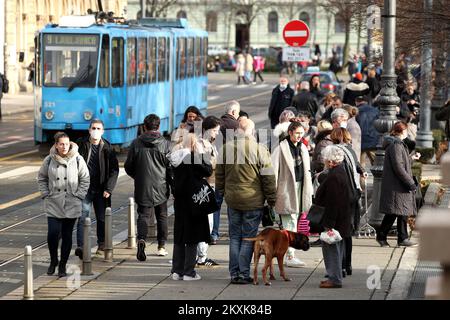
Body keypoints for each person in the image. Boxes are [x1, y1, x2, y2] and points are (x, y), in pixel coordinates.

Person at [216, 118, 277, 284]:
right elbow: (268, 178)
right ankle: (243, 273)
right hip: (253, 200)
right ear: (252, 131)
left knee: (234, 236)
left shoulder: (225, 149)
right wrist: (271, 199)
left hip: (233, 200)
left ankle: (234, 273)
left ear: (237, 131)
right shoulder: (260, 150)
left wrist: (221, 192)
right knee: (248, 238)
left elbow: (219, 176)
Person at [37, 132, 90, 277]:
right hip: (53, 201)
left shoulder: (78, 159)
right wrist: (46, 194)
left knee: (67, 235)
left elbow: (85, 178)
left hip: (72, 202)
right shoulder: (49, 160)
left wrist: (79, 195)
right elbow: (41, 178)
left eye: (66, 144)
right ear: (56, 145)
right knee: (53, 233)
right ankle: (54, 260)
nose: (64, 146)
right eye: (61, 144)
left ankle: (62, 265)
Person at [125, 114, 173, 260]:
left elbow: (128, 166)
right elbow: (170, 167)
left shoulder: (136, 143)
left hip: (142, 185)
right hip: (161, 186)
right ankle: (161, 246)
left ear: (144, 127)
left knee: (143, 215)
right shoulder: (165, 144)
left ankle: (141, 239)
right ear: (158, 127)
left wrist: (138, 176)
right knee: (162, 216)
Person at [169, 133, 213, 281]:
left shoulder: (176, 158)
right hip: (194, 202)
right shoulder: (193, 158)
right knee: (192, 236)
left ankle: (177, 270)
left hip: (180, 201)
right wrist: (201, 152)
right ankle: (189, 272)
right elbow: (208, 170)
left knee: (180, 235)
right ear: (195, 144)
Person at [75, 119, 119, 258]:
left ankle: (101, 244)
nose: (96, 131)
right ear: (89, 130)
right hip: (84, 189)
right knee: (82, 217)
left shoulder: (107, 147)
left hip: (101, 190)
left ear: (103, 131)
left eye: (98, 128)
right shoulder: (81, 145)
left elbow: (114, 170)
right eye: (93, 128)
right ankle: (81, 247)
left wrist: (109, 188)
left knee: (102, 218)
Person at [271, 121, 313, 267]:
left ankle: (286, 253)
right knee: (290, 222)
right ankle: (290, 255)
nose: (300, 136)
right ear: (290, 133)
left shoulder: (302, 147)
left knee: (294, 220)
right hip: (286, 189)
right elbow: (273, 173)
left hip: (301, 188)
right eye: (297, 133)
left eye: (302, 134)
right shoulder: (280, 149)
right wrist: (272, 195)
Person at [330, 128, 367, 276]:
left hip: (341, 194)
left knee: (337, 230)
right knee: (348, 231)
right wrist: (362, 171)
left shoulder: (335, 150)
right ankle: (348, 265)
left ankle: (340, 265)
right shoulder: (350, 150)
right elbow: (357, 165)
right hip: (353, 193)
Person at [314, 145, 352, 288]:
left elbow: (333, 202)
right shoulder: (339, 172)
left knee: (332, 249)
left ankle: (334, 279)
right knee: (335, 248)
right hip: (341, 218)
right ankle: (333, 276)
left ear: (330, 161)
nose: (324, 162)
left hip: (334, 220)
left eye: (325, 160)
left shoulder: (334, 176)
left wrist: (329, 223)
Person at [377, 121, 420, 247]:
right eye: (406, 130)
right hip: (397, 184)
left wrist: (411, 158)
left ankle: (390, 237)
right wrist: (410, 182)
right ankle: (400, 238)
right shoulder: (396, 145)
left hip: (398, 184)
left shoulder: (398, 144)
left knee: (397, 211)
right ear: (402, 131)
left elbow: (401, 163)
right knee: (398, 211)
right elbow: (398, 167)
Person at [355, 96, 380, 166]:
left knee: (360, 164)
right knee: (377, 163)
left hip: (360, 141)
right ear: (366, 102)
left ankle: (362, 176)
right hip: (373, 139)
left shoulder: (355, 111)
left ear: (356, 102)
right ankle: (379, 176)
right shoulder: (375, 110)